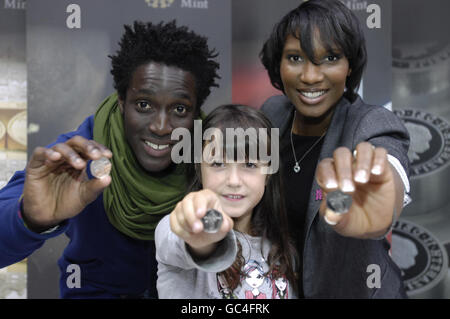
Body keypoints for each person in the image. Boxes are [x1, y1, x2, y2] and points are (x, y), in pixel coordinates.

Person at [0, 20, 220, 298]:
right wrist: (30, 219)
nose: (161, 126)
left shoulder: (215, 155)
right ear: (121, 101)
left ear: (196, 112)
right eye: (144, 105)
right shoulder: (82, 153)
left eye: (179, 108)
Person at [259, 0, 411, 298]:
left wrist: (383, 202)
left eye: (329, 58)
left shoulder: (371, 123)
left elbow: (389, 163)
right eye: (294, 58)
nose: (311, 76)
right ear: (278, 64)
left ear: (349, 65)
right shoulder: (272, 113)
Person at [155, 104, 298, 299]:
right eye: (218, 163)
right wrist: (200, 237)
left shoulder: (281, 248)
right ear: (199, 168)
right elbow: (179, 236)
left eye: (249, 164)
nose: (233, 181)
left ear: (268, 174)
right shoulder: (174, 228)